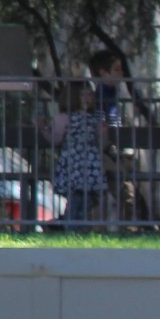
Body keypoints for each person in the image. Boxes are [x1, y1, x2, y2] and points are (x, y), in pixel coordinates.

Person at [49, 80, 110, 224]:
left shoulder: (93, 118)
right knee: (76, 195)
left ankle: (75, 222)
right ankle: (72, 223)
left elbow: (101, 144)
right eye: (84, 95)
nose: (88, 98)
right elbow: (56, 139)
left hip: (90, 163)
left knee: (87, 197)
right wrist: (44, 130)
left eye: (90, 95)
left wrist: (104, 132)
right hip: (74, 162)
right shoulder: (64, 117)